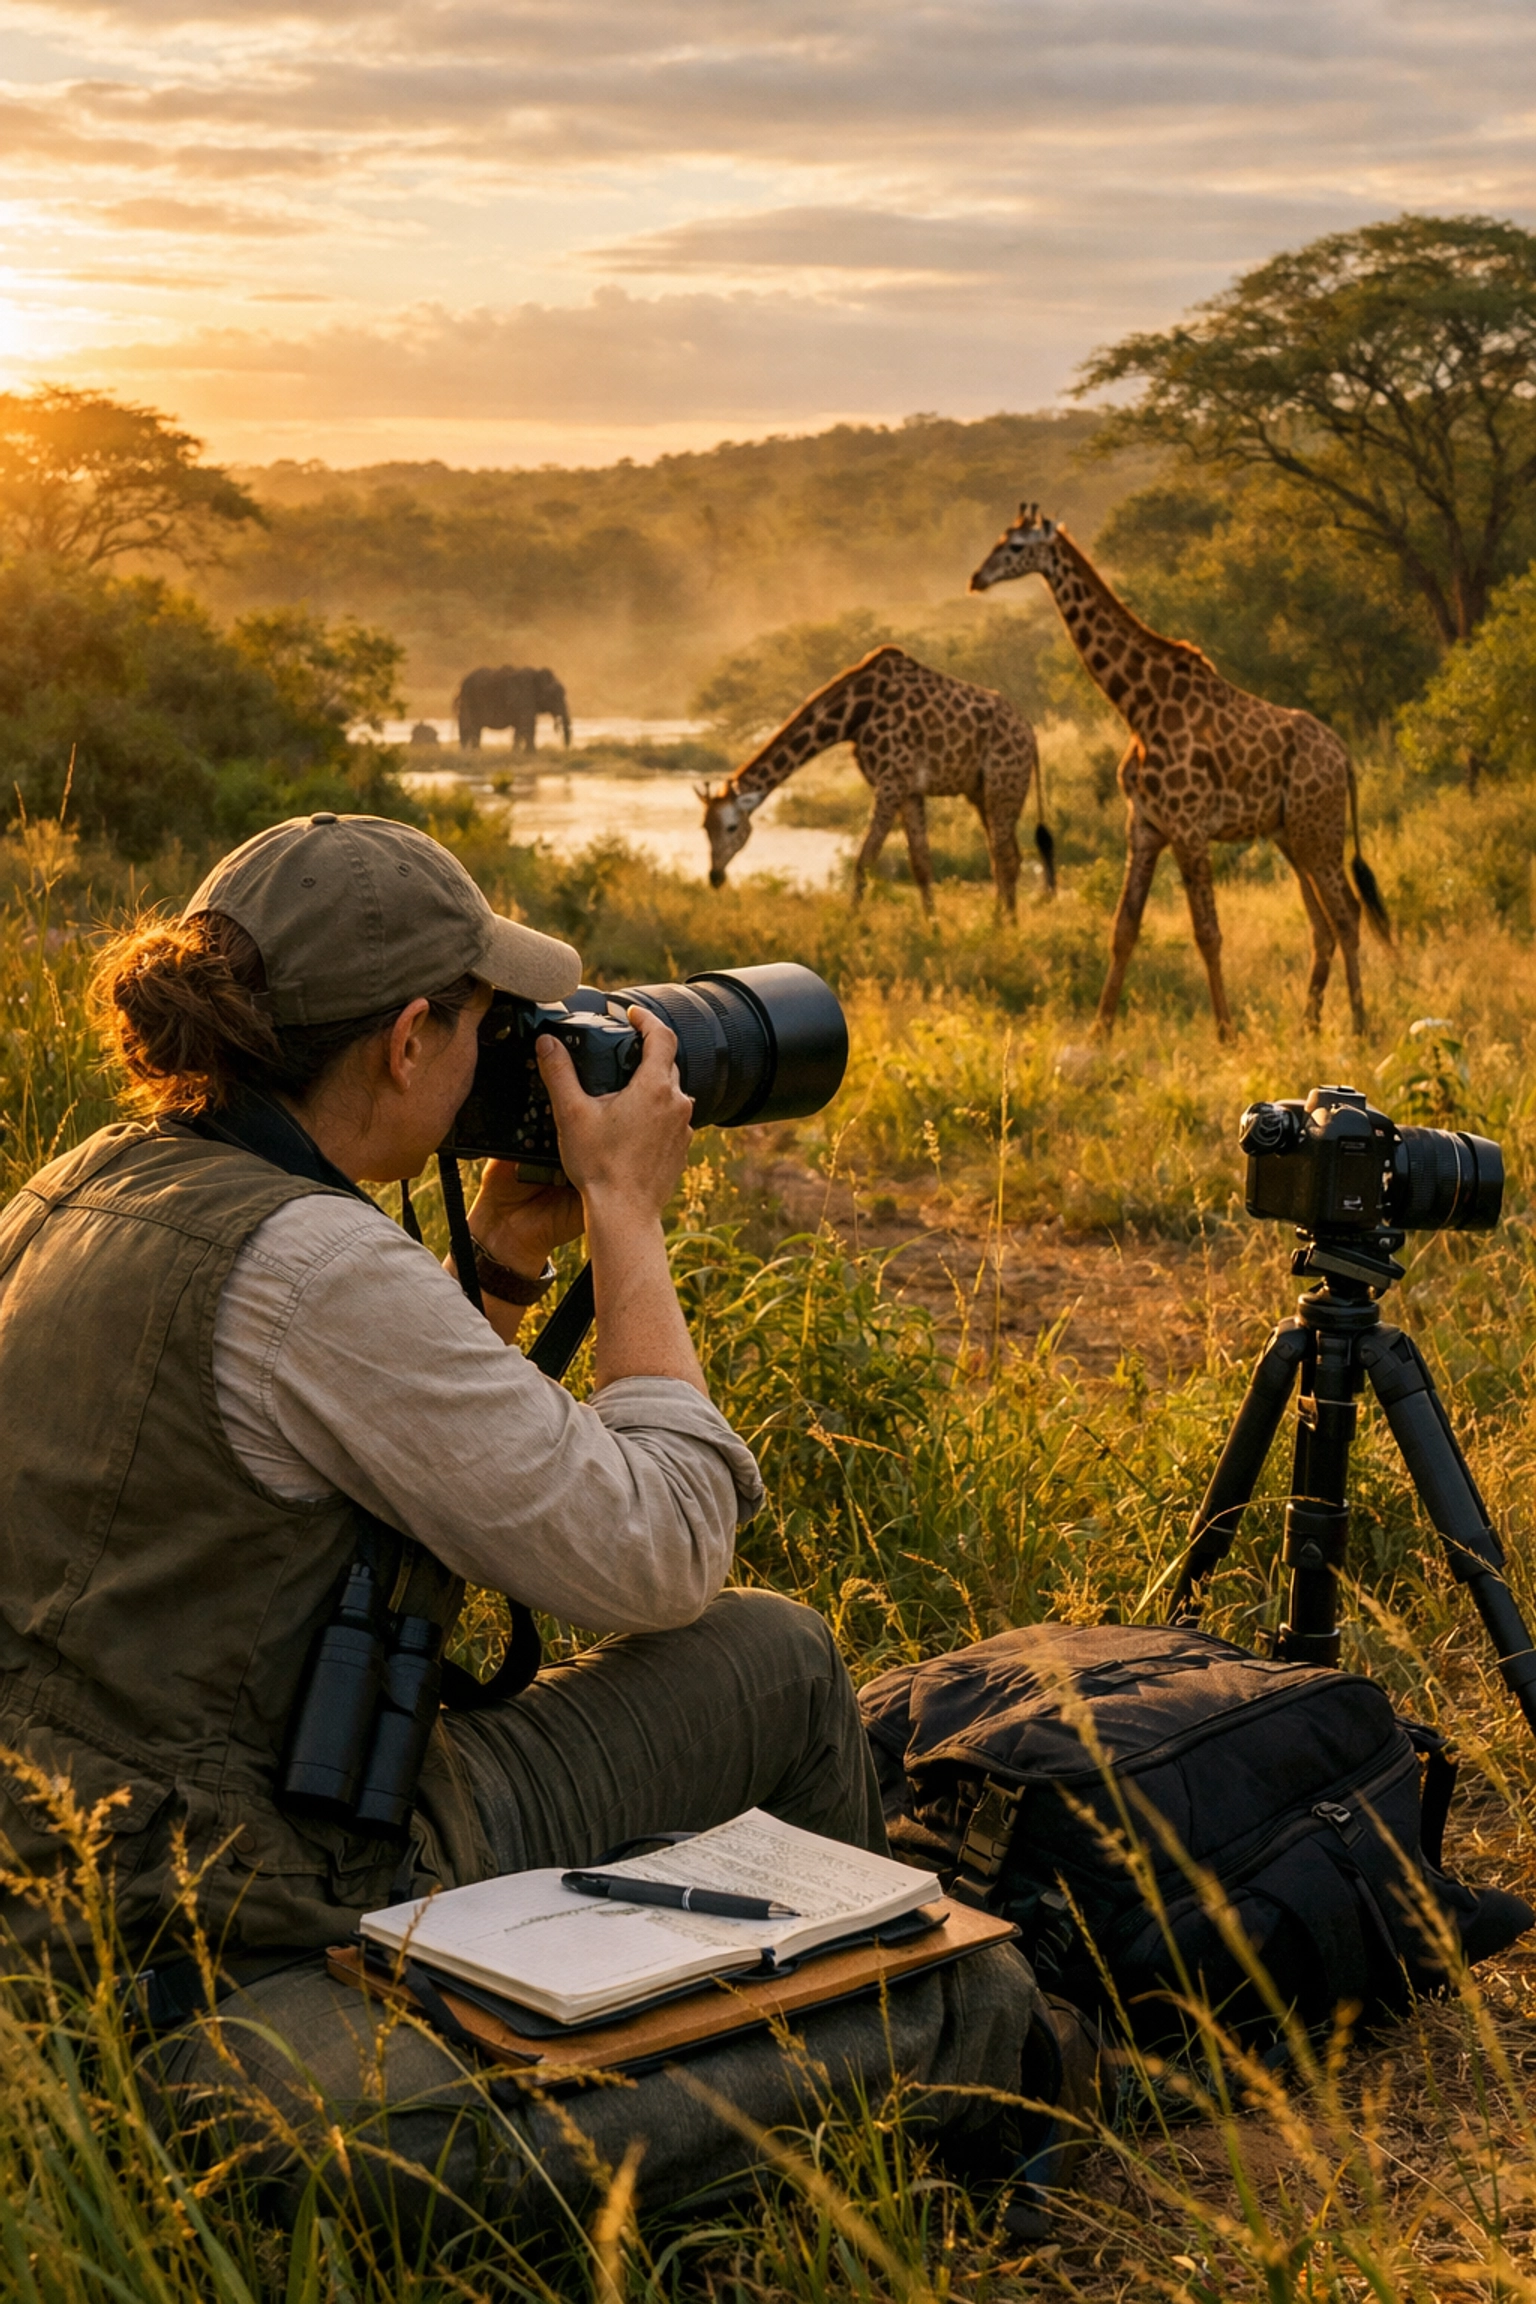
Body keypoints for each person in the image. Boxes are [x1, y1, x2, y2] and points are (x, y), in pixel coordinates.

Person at [0, 813, 1055, 2239]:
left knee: (774, 1661)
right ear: (409, 1040)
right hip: (265, 1897)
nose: (511, 1056)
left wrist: (498, 1258)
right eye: (492, 1024)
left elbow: (343, 1438)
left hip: (145, 1843)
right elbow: (663, 1554)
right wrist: (626, 1209)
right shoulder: (317, 1266)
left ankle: (827, 1991)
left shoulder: (85, 1184)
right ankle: (957, 2034)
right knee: (362, 2151)